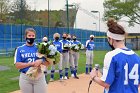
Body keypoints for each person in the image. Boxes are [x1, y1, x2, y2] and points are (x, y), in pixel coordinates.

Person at [90, 18, 140, 93]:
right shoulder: (136, 57)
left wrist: (94, 77)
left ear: (111, 39)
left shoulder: (111, 55)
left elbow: (106, 84)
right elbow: (137, 84)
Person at [14, 28, 49, 93]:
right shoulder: (19, 49)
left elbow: (47, 63)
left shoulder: (40, 47)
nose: (31, 37)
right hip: (25, 78)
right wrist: (32, 64)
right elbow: (17, 65)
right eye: (29, 36)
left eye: (33, 36)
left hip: (39, 76)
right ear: (25, 37)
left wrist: (41, 61)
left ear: (35, 37)